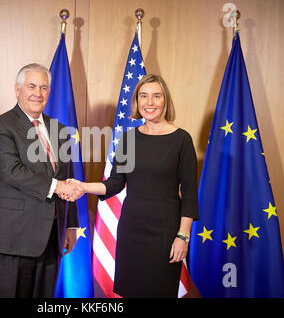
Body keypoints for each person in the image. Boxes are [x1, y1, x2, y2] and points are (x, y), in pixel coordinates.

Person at [63, 74, 199, 297]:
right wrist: (83, 186)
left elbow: (191, 193)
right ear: (137, 102)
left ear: (166, 101)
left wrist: (183, 236)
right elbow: (115, 183)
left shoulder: (181, 140)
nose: (150, 102)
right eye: (143, 96)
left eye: (156, 96)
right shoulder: (128, 139)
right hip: (131, 231)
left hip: (166, 233)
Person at [0, 63, 81, 298]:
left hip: (51, 237)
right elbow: (11, 171)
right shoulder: (1, 126)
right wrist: (56, 187)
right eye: (31, 86)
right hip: (14, 237)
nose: (38, 93)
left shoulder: (59, 130)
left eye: (44, 87)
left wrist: (70, 224)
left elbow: (67, 177)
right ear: (17, 89)